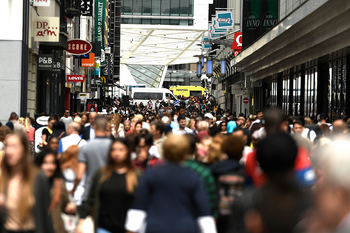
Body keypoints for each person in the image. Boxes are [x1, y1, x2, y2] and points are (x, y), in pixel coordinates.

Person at [125, 134, 217, 233]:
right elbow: (205, 216)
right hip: (185, 228)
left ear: (165, 150)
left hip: (156, 227)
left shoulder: (150, 175)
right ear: (185, 152)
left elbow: (137, 210)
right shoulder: (193, 177)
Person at [77, 138, 138, 233]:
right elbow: (90, 199)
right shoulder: (102, 174)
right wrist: (82, 220)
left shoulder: (136, 176)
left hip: (128, 228)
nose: (117, 153)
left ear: (127, 152)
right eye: (113, 150)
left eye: (121, 150)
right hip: (104, 227)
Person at [0, 132, 54, 233]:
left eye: (14, 146)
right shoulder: (2, 178)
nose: (9, 151)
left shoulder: (38, 178)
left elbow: (46, 218)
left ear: (24, 150)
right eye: (7, 146)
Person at [34, 149, 76, 233]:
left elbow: (65, 206)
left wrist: (71, 208)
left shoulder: (59, 183)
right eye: (46, 163)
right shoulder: (31, 184)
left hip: (57, 229)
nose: (50, 167)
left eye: (53, 163)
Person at [72, 116, 112, 203]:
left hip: (89, 191)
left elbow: (79, 175)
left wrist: (73, 190)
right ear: (106, 127)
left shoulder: (85, 147)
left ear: (94, 126)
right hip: (109, 190)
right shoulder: (113, 147)